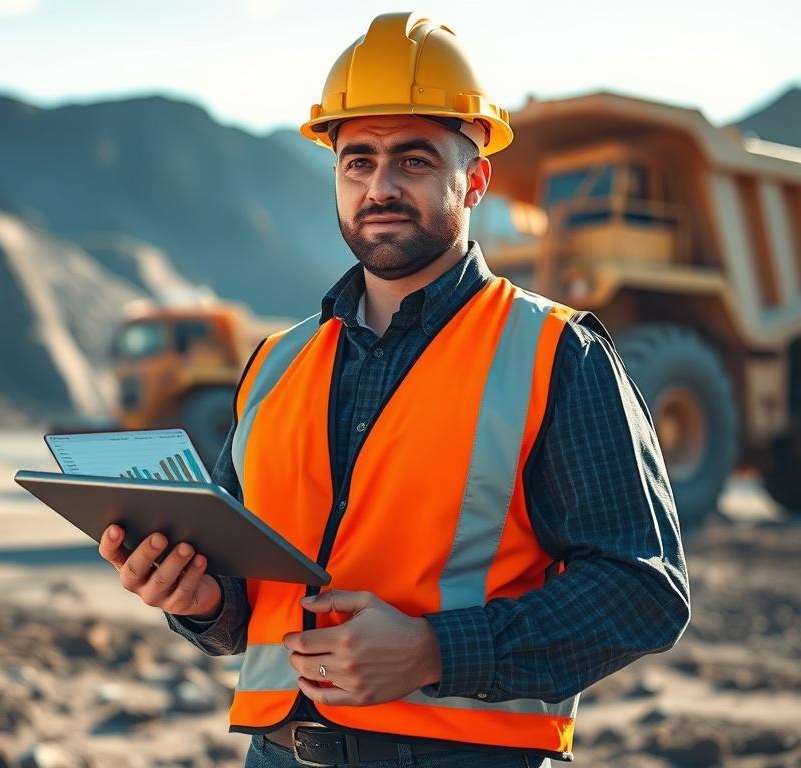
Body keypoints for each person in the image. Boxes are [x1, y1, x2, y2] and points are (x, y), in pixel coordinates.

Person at [98, 12, 689, 768]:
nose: (379, 186)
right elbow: (249, 598)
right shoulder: (276, 364)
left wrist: (431, 650)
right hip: (278, 752)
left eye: (413, 160)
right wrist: (200, 600)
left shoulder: (555, 353)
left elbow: (643, 593)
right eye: (358, 161)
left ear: (474, 179)